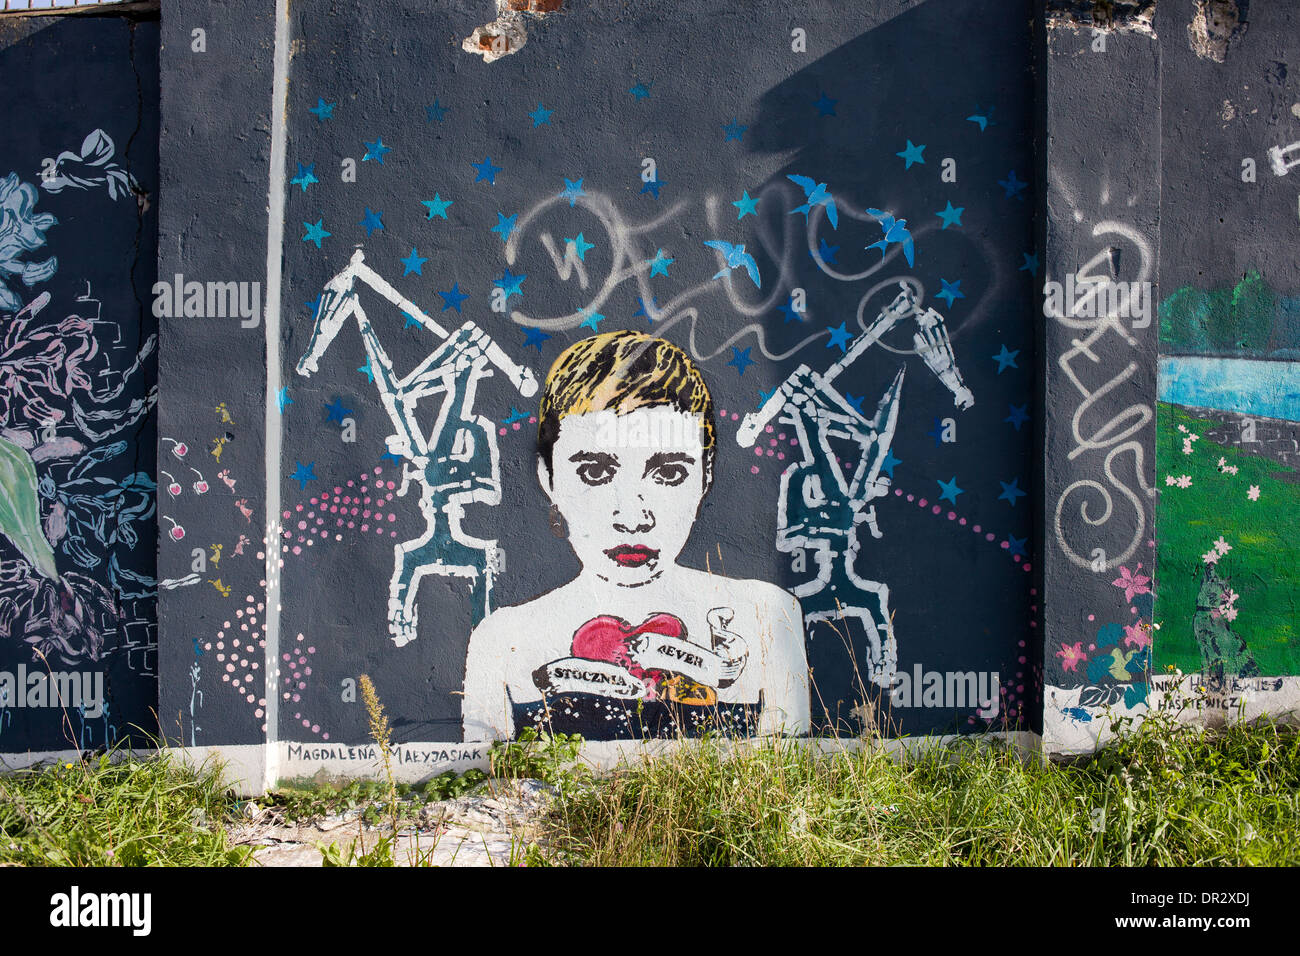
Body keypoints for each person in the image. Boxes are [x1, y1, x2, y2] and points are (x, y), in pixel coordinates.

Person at [462, 330, 809, 741]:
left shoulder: (768, 618)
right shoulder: (502, 640)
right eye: (595, 472)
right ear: (548, 479)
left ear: (705, 477)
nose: (632, 517)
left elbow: (789, 776)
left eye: (669, 473)